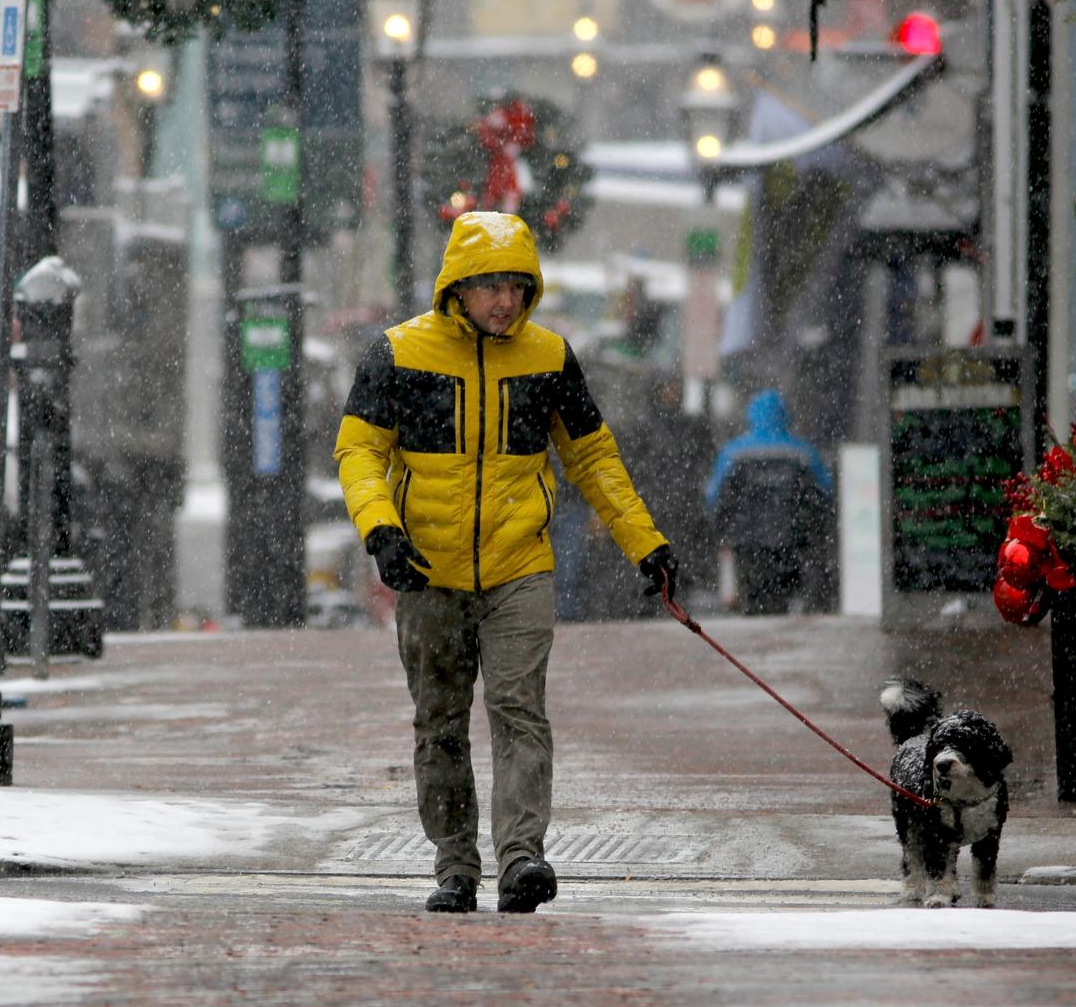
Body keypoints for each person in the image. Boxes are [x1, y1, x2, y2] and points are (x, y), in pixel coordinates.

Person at [333, 212, 680, 914]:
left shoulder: (549, 358)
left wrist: (645, 541)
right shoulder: (397, 354)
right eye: (490, 285)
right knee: (440, 723)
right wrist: (382, 532)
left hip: (521, 567)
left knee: (520, 710)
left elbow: (593, 458)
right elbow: (359, 451)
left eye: (518, 287)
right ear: (457, 287)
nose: (505, 302)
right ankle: (455, 864)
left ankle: (523, 857)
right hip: (426, 571)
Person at [702, 388, 834, 614]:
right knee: (784, 596)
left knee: (754, 597)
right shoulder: (804, 453)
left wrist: (723, 526)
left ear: (751, 415)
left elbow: (714, 494)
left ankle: (756, 626)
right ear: (785, 415)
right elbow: (825, 491)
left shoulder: (733, 453)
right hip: (791, 538)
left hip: (747, 541)